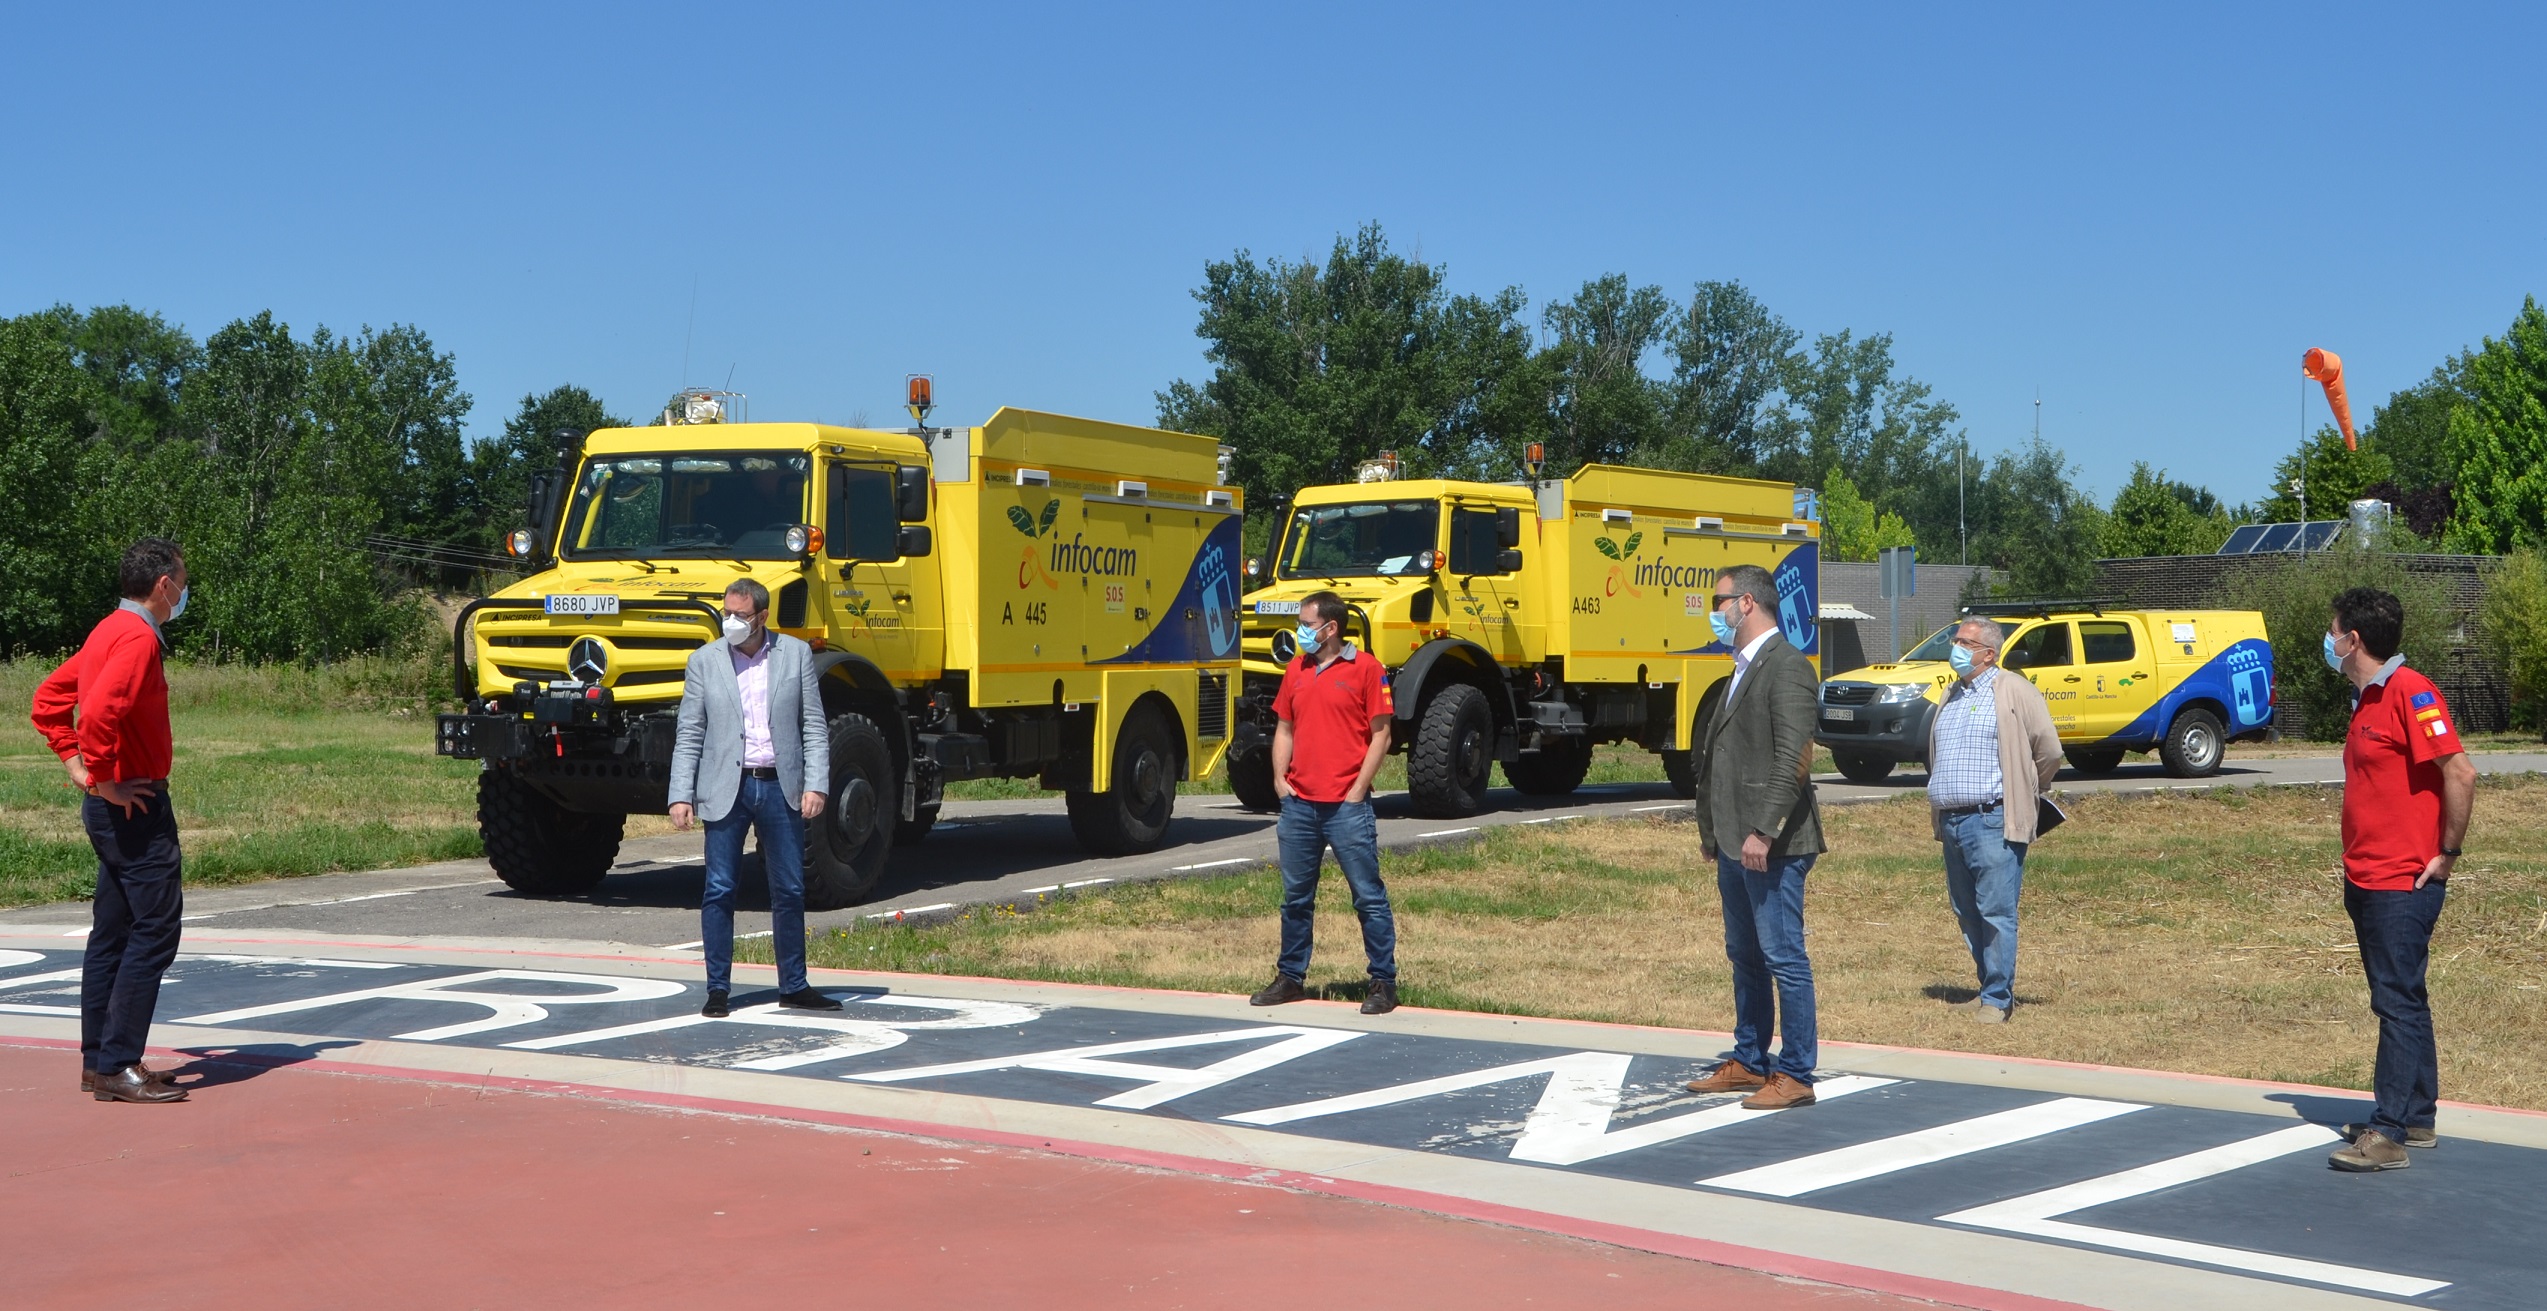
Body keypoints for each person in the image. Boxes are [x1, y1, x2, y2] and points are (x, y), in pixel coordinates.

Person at [30, 538, 192, 1104]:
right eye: (182, 579)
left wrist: (79, 770)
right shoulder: (138, 637)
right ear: (163, 583)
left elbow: (49, 698)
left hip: (110, 805)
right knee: (155, 929)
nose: (183, 591)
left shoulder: (106, 630)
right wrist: (100, 775)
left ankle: (100, 1062)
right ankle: (118, 1064)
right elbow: (99, 712)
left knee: (113, 932)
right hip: (133, 806)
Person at [2324, 587, 2474, 1172]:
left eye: (2333, 631)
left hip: (2401, 882)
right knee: (2404, 995)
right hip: (2367, 875)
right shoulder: (2368, 698)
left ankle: (2387, 1134)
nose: (2330, 640)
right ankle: (2416, 1114)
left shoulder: (2412, 692)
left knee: (2396, 1003)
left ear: (2353, 640)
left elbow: (2460, 771)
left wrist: (2447, 853)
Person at [1685, 563, 1826, 1109]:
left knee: (1782, 956)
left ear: (1747, 603)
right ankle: (1750, 1058)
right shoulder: (1739, 668)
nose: (1712, 610)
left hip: (1774, 844)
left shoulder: (1785, 666)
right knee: (1743, 953)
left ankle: (1795, 1073)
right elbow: (1721, 757)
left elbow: (1793, 758)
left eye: (1718, 599)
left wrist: (1763, 831)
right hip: (1732, 840)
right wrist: (1712, 831)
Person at [668, 579, 836, 1017]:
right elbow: (689, 732)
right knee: (720, 888)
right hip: (727, 787)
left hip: (780, 785)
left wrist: (816, 784)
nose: (731, 622)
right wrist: (679, 794)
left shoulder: (795, 654)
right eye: (726, 613)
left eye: (741, 616)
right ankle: (718, 990)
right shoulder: (704, 661)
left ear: (762, 616)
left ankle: (794, 985)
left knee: (789, 888)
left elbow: (814, 726)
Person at [1248, 590, 1400, 1015]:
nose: (1300, 632)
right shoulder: (1296, 668)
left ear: (1331, 628)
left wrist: (1357, 791)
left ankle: (1383, 982)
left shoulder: (1367, 669)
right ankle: (1290, 977)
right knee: (1295, 898)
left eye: (1307, 625)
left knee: (1367, 896)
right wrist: (1279, 780)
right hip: (1299, 806)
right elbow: (1284, 727)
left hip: (1346, 807)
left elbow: (1381, 734)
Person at [1925, 616, 2065, 1023]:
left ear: (1989, 653)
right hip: (1952, 822)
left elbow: (2049, 750)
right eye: (1955, 640)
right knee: (1966, 910)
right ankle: (1986, 985)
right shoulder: (1951, 693)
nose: (1956, 647)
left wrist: (2025, 788)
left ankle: (1999, 999)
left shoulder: (2014, 691)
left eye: (1964, 642)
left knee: (1996, 911)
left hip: (1993, 820)